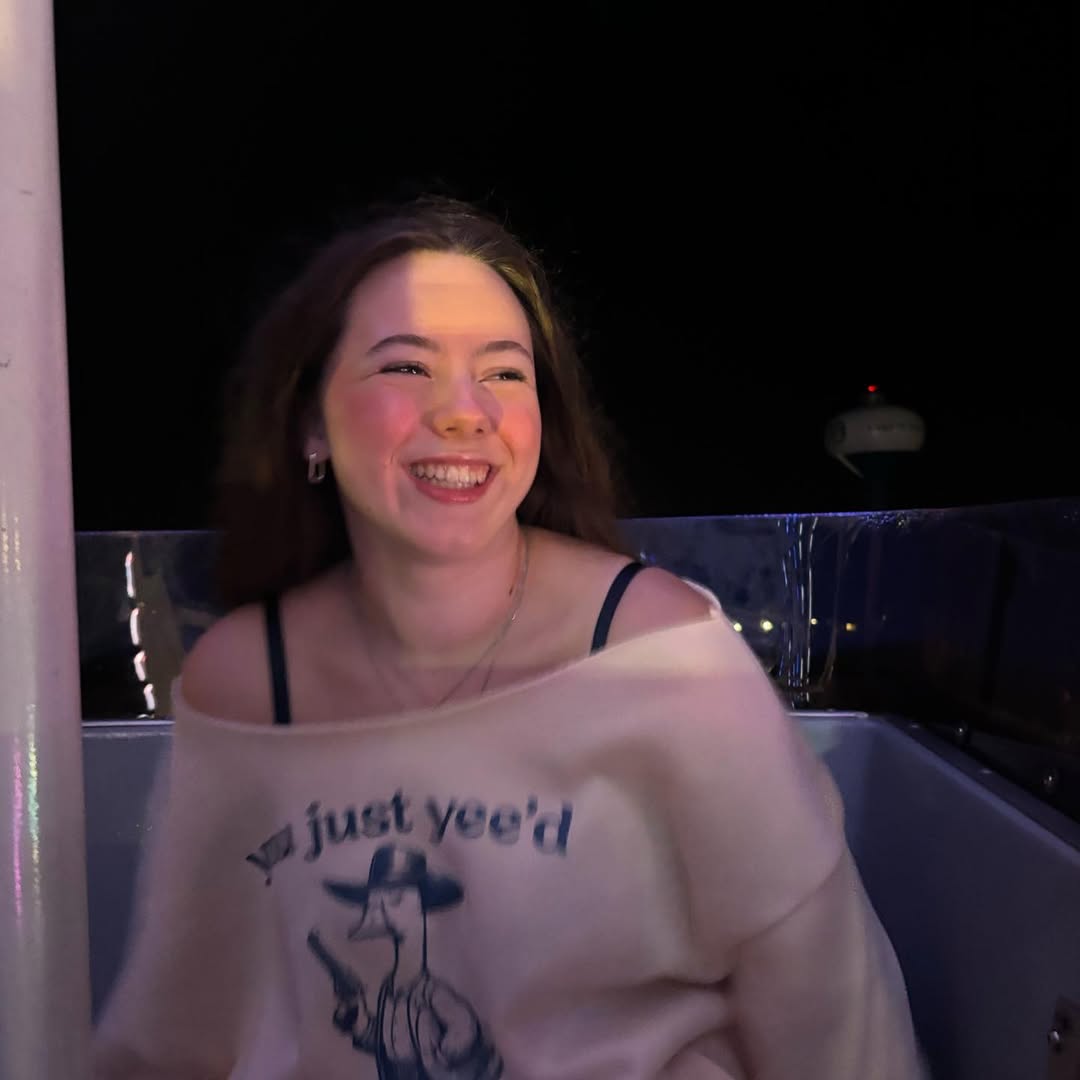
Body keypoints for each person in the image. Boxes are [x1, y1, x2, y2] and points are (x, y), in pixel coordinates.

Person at [93, 196, 922, 1078]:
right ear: (310, 423)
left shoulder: (659, 653)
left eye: (503, 373)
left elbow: (829, 1005)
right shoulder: (246, 682)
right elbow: (175, 1033)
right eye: (406, 365)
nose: (465, 411)